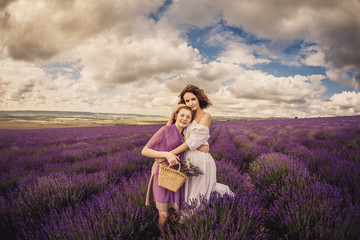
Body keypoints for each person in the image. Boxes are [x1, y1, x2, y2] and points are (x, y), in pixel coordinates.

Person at [167, 84, 233, 206]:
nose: (191, 103)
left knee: (198, 195)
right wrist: (173, 114)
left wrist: (169, 154)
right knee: (187, 194)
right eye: (187, 101)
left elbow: (192, 142)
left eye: (193, 99)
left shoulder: (206, 116)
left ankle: (198, 220)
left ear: (198, 99)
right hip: (186, 158)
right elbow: (169, 132)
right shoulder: (187, 116)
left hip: (200, 160)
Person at [142, 106, 195, 230]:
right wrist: (166, 154)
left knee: (173, 211)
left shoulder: (184, 134)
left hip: (175, 176)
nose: (184, 118)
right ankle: (161, 234)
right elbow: (145, 151)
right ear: (176, 116)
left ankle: (171, 232)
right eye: (182, 115)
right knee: (164, 214)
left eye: (188, 117)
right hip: (162, 175)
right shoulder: (165, 130)